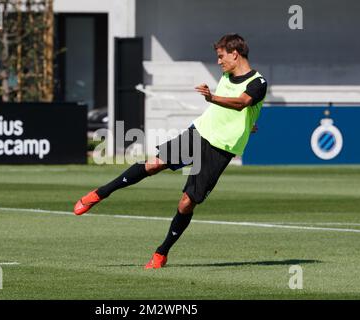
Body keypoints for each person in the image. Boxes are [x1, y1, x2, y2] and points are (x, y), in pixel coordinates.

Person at [73, 33, 267, 269]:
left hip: (221, 149)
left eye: (221, 56)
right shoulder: (227, 74)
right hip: (199, 133)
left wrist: (213, 98)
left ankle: (161, 253)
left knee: (186, 203)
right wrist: (244, 122)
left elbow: (242, 103)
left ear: (235, 54)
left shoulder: (258, 82)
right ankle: (99, 193)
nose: (218, 62)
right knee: (153, 164)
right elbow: (234, 109)